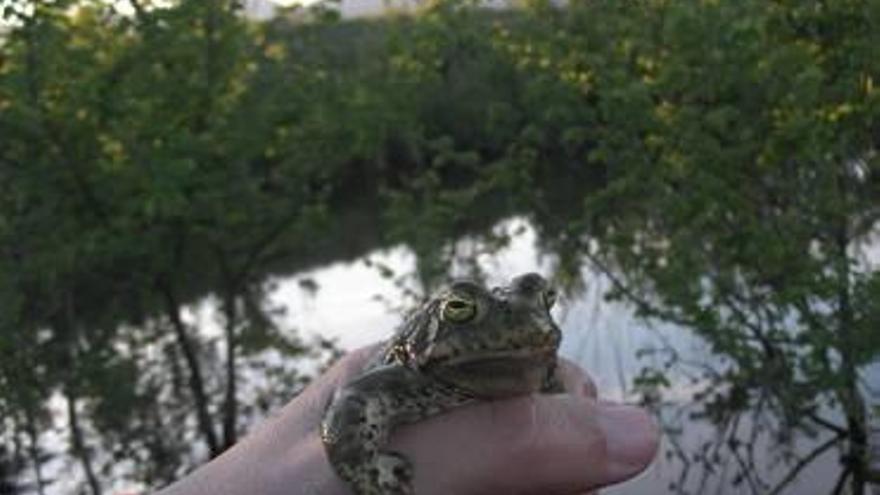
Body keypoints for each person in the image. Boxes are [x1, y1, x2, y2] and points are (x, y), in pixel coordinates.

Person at [156, 346, 659, 494]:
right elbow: (352, 403)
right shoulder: (404, 375)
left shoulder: (532, 356)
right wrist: (369, 474)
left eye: (542, 302)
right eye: (463, 310)